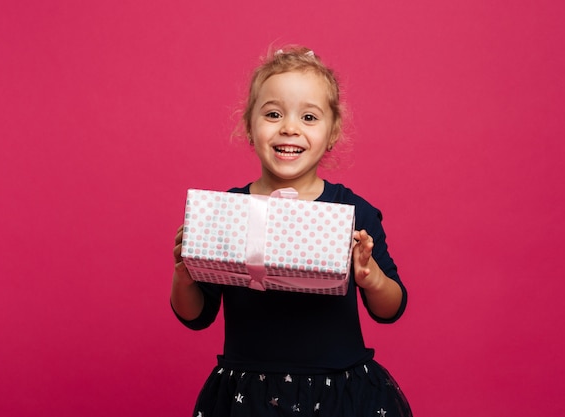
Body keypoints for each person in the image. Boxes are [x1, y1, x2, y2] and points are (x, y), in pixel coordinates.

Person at [171, 45, 412, 417]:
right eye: (273, 113)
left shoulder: (353, 212)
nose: (289, 127)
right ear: (249, 127)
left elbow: (391, 308)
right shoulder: (228, 211)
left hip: (339, 394)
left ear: (333, 134)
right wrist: (185, 276)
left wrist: (371, 278)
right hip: (248, 396)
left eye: (309, 117)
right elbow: (195, 316)